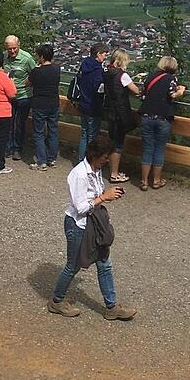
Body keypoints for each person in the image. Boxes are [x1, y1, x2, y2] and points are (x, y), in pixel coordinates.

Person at [49, 135, 137, 321]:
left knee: (104, 264)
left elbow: (95, 195)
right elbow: (80, 207)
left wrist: (107, 194)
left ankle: (111, 306)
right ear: (96, 155)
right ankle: (56, 301)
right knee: (73, 265)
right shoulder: (79, 175)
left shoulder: (95, 170)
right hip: (78, 225)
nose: (107, 160)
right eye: (105, 157)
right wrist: (105, 197)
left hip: (94, 223)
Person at [138, 56, 186, 191]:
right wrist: (181, 90)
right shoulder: (171, 78)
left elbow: (142, 95)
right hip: (163, 117)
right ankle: (156, 180)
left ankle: (144, 181)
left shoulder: (150, 77)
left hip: (146, 115)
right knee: (159, 149)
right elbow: (172, 95)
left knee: (147, 148)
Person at [103, 48, 142, 183]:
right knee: (118, 144)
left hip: (110, 112)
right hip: (120, 113)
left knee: (113, 140)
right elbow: (136, 90)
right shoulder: (122, 75)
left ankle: (112, 170)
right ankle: (114, 174)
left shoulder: (107, 73)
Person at [27, 44, 61, 171]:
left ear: (41, 56)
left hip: (40, 104)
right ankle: (52, 158)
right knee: (53, 131)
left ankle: (41, 161)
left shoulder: (37, 71)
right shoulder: (57, 69)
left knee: (39, 133)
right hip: (53, 103)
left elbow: (27, 83)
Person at [3, 35, 37, 161]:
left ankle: (17, 148)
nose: (12, 51)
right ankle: (8, 147)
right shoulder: (4, 56)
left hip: (23, 95)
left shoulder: (27, 58)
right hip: (8, 96)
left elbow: (34, 73)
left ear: (19, 46)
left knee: (20, 123)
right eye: (9, 49)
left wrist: (26, 83)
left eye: (14, 48)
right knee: (9, 122)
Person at [76, 43, 109, 161]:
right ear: (98, 54)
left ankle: (81, 160)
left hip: (83, 104)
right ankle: (89, 161)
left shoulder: (84, 64)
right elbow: (99, 89)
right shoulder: (98, 70)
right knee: (92, 136)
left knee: (84, 134)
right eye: (105, 54)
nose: (105, 57)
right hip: (93, 106)